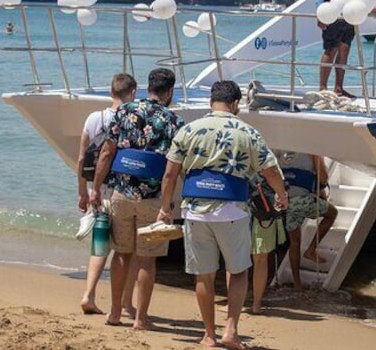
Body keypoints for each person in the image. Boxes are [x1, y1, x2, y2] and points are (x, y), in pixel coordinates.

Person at [160, 80, 287, 349]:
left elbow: (170, 174)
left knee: (203, 276)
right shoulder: (248, 132)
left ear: (211, 102)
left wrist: (164, 208)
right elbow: (270, 170)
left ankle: (209, 334)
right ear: (235, 103)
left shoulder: (189, 129)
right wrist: (281, 194)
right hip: (232, 210)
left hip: (195, 211)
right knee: (238, 271)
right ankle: (231, 330)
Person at [90, 67, 184, 330]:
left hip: (122, 192)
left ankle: (115, 313)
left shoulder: (124, 111)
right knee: (147, 259)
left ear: (147, 86)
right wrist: (167, 205)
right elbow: (171, 169)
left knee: (121, 255)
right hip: (151, 197)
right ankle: (141, 319)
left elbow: (107, 153)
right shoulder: (173, 121)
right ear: (170, 91)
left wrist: (96, 188)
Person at [76, 73, 138, 316]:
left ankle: (88, 294)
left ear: (111, 92)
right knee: (127, 250)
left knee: (100, 246)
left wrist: (83, 192)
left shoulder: (94, 118)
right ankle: (125, 303)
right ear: (132, 93)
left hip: (97, 191)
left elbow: (83, 158)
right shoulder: (131, 119)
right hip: (121, 190)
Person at [278, 151, 337, 290]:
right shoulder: (313, 151)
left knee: (294, 242)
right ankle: (311, 250)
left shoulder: (283, 153)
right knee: (332, 213)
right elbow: (323, 178)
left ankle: (297, 283)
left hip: (287, 201)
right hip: (303, 201)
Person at [315, 0, 358, 98]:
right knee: (330, 49)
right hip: (332, 13)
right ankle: (323, 88)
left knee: (344, 50)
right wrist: (320, 14)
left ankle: (339, 87)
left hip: (348, 14)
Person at [248, 172, 286, 314]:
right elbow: (277, 178)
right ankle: (256, 304)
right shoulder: (266, 157)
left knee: (235, 258)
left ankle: (235, 302)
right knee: (260, 260)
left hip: (242, 211)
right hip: (264, 213)